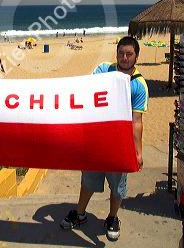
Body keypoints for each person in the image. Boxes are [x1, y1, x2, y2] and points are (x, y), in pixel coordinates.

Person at [60, 36, 148, 241]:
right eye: (121, 53)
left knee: (117, 187)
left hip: (119, 146)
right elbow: (86, 94)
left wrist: (138, 152)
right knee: (88, 181)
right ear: (116, 53)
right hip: (96, 143)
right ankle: (80, 214)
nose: (124, 58)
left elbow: (137, 121)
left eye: (129, 54)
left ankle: (112, 218)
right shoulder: (103, 70)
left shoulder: (139, 85)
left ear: (136, 56)